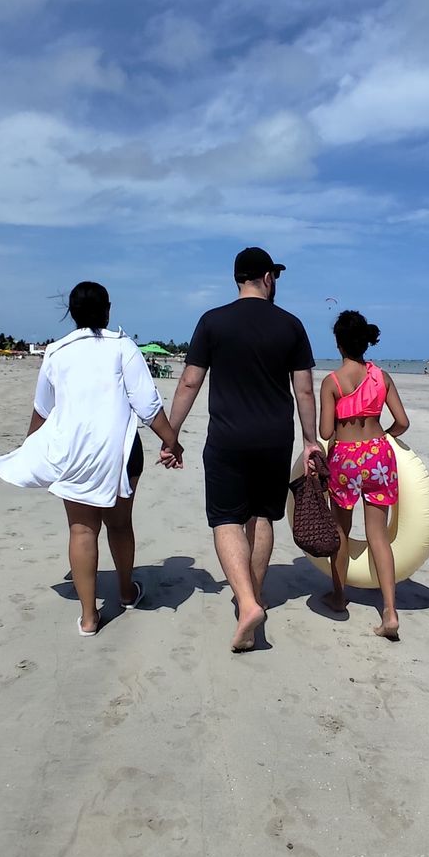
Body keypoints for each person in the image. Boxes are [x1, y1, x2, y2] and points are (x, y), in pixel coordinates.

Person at [0, 281, 182, 637]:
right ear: (108, 310)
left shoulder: (56, 352)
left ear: (72, 314)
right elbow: (147, 403)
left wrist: (29, 448)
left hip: (73, 450)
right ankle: (125, 592)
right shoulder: (122, 345)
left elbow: (43, 409)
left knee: (82, 529)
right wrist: (171, 441)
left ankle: (90, 617)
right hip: (121, 452)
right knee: (120, 525)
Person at [166, 247, 319, 652]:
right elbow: (303, 387)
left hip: (227, 438)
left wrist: (172, 434)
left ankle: (246, 601)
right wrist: (310, 440)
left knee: (226, 519)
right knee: (263, 515)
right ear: (267, 277)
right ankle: (255, 594)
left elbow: (189, 383)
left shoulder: (213, 321)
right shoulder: (291, 325)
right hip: (273, 438)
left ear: (238, 279)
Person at [320, 309, 409, 639]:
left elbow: (326, 431)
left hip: (345, 459)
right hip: (378, 455)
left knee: (341, 531)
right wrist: (380, 437)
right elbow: (402, 422)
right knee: (378, 535)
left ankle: (339, 597)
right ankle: (390, 611)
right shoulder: (382, 377)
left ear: (339, 344)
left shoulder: (332, 382)